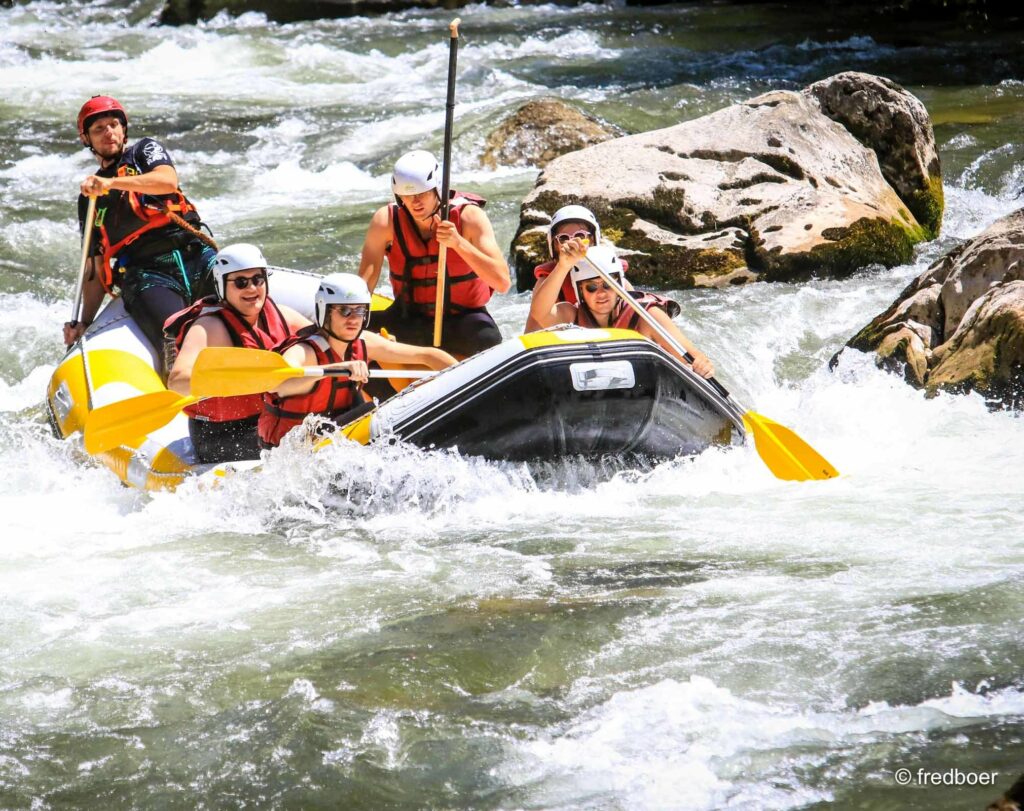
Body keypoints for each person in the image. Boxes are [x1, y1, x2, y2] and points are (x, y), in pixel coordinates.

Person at [65, 95, 217, 375]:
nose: (109, 132)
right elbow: (94, 267)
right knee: (174, 335)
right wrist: (84, 322)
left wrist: (111, 183)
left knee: (247, 298)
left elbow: (167, 181)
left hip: (194, 253)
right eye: (98, 129)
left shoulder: (144, 151)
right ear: (86, 139)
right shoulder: (89, 199)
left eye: (114, 125)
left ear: (123, 129)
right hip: (148, 273)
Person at [259, 273, 458, 448]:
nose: (354, 319)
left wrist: (463, 378)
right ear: (325, 311)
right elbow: (279, 385)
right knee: (371, 412)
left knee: (381, 412)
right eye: (345, 311)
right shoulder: (305, 351)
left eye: (360, 311)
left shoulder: (364, 342)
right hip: (292, 448)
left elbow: (429, 356)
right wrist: (335, 369)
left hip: (335, 437)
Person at [357, 149, 511, 357]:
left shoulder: (469, 217)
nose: (415, 202)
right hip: (407, 318)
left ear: (437, 188)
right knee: (355, 331)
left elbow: (502, 282)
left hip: (462, 319)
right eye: (407, 196)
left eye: (422, 194)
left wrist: (458, 243)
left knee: (488, 339)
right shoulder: (385, 221)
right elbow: (364, 284)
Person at [165, 244, 310, 464]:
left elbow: (325, 341)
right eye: (241, 282)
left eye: (258, 279)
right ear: (222, 285)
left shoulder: (281, 314)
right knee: (305, 441)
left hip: (268, 419)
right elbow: (177, 382)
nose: (252, 288)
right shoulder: (209, 327)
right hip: (222, 434)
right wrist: (236, 380)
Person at [527, 243, 715, 378]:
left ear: (619, 284)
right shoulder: (571, 316)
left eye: (608, 285)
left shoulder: (646, 316)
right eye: (591, 287)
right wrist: (563, 266)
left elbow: (693, 357)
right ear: (580, 291)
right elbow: (540, 313)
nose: (601, 294)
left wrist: (703, 366)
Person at [524, 204, 632, 333]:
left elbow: (635, 316)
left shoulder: (616, 277)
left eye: (580, 236)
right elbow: (532, 331)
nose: (573, 243)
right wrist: (563, 266)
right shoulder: (546, 283)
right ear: (555, 245)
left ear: (592, 240)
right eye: (563, 238)